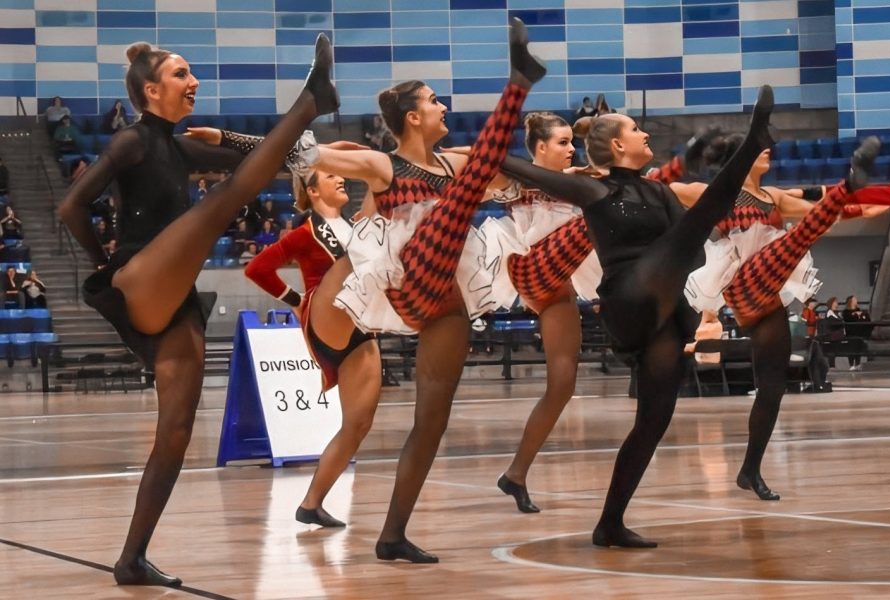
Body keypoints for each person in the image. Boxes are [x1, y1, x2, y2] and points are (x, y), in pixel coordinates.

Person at [58, 34, 338, 587]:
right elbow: (71, 206)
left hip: (174, 296)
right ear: (150, 90)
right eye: (182, 75)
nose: (195, 83)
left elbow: (273, 160)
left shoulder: (180, 148)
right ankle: (312, 98)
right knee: (224, 200)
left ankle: (131, 558)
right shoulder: (132, 140)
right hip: (139, 278)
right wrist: (105, 265)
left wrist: (229, 137)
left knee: (178, 430)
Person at [287, 18, 545, 562]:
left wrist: (547, 179)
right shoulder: (385, 165)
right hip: (410, 279)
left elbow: (503, 174)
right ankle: (517, 81)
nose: (443, 106)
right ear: (412, 116)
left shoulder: (453, 162)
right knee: (462, 194)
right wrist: (258, 133)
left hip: (447, 296)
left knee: (432, 420)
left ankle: (393, 534)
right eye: (434, 100)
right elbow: (301, 157)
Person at [497, 85, 776, 547]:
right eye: (636, 129)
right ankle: (751, 142)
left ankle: (609, 524)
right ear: (618, 146)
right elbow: (515, 166)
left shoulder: (659, 191)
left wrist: (683, 260)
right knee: (699, 217)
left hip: (663, 306)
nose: (645, 133)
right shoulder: (593, 187)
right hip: (628, 295)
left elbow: (685, 246)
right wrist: (475, 153)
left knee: (653, 420)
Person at [678, 135, 880, 500]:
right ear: (739, 159)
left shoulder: (776, 197)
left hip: (768, 293)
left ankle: (749, 469)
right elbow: (666, 189)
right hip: (741, 281)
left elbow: (833, 213)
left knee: (771, 389)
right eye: (758, 149)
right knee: (798, 239)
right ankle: (847, 182)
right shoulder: (718, 192)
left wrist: (871, 202)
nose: (768, 151)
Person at [245, 169, 381, 528]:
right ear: (312, 190)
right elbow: (258, 268)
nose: (340, 180)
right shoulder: (306, 233)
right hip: (325, 315)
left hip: (358, 330)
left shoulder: (353, 227)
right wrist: (295, 299)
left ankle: (311, 503)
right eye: (329, 176)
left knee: (358, 424)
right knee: (367, 241)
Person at [490, 112, 601, 513]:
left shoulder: (579, 179)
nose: (571, 148)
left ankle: (515, 474)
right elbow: (476, 164)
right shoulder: (517, 181)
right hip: (529, 269)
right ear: (539, 147)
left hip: (560, 284)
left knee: (563, 384)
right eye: (562, 142)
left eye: (572, 141)